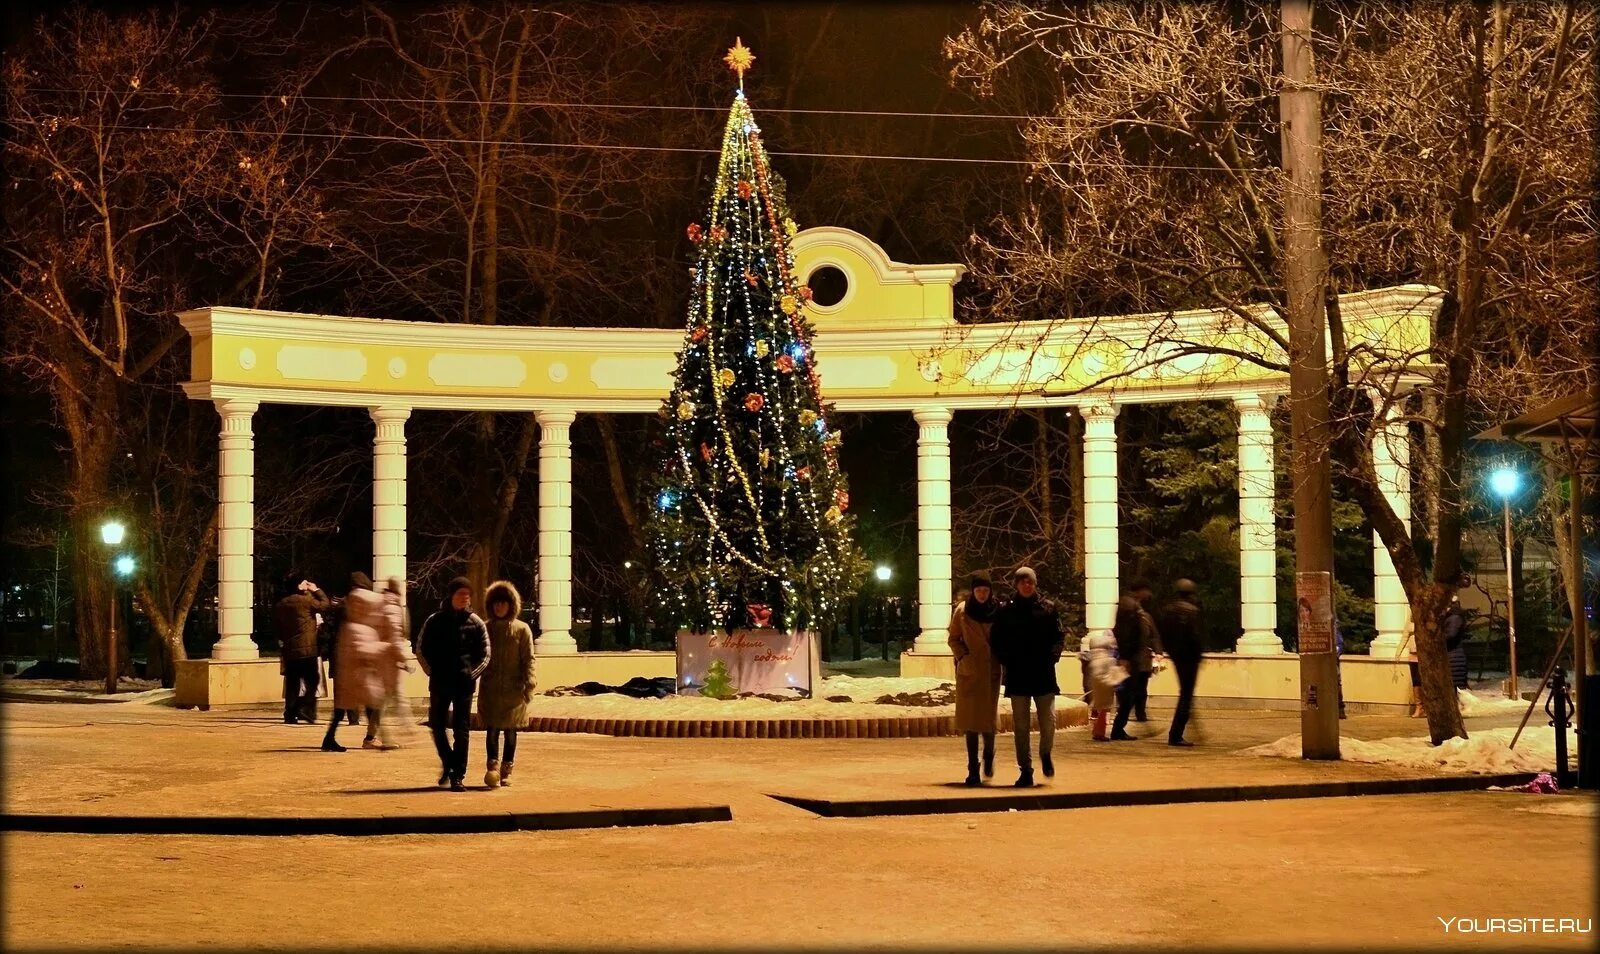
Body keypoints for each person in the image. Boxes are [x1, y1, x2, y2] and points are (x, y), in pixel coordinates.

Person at [989, 566, 1065, 787]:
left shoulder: (1048, 609)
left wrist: (1054, 654)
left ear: (1035, 584)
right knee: (1020, 727)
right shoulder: (1006, 611)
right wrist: (1006, 659)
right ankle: (1026, 769)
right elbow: (997, 639)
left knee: (1048, 722)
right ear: (1017, 584)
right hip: (1018, 675)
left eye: (1030, 581)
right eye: (1022, 581)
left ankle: (1045, 754)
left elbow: (1059, 636)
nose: (1026, 585)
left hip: (1043, 675)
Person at [416, 577, 490, 791]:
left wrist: (471, 674)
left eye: (467, 594)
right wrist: (432, 671)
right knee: (437, 725)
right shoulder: (434, 620)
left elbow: (485, 654)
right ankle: (448, 761)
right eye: (460, 594)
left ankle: (458, 774)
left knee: (461, 729)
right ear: (451, 595)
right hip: (439, 681)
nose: (464, 598)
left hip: (464, 683)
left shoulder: (476, 622)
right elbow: (421, 648)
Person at [323, 573, 400, 752]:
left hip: (348, 664)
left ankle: (334, 738)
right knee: (373, 700)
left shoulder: (347, 609)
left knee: (350, 705)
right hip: (358, 668)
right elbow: (363, 645)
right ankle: (372, 738)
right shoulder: (359, 614)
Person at [477, 580, 536, 788]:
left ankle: (507, 769)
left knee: (511, 733)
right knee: (492, 731)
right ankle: (491, 767)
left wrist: (529, 682)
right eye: (496, 603)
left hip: (514, 691)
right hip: (491, 690)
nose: (499, 607)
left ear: (511, 605)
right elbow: (478, 657)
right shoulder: (485, 628)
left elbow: (528, 659)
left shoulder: (522, 630)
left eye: (504, 603)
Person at [947, 573, 1002, 786]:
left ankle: (989, 754)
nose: (982, 594)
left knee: (987, 719)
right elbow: (953, 638)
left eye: (985, 590)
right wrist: (963, 656)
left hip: (990, 670)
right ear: (973, 591)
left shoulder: (998, 611)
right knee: (970, 722)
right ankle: (973, 769)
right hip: (970, 672)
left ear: (990, 592)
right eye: (978, 590)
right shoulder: (962, 611)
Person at [273, 573, 329, 725]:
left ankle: (290, 714)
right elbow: (325, 604)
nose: (307, 585)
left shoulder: (282, 604)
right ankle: (303, 707)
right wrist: (316, 589)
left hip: (290, 650)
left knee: (293, 683)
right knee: (312, 681)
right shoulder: (306, 601)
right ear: (298, 585)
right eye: (305, 583)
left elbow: (278, 627)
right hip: (307, 649)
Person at [1111, 579, 1160, 740]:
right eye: (1148, 590)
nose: (1150, 594)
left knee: (1133, 693)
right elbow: (1125, 633)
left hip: (1135, 657)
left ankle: (1119, 728)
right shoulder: (1129, 605)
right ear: (1141, 590)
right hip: (1131, 658)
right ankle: (1118, 729)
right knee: (1129, 695)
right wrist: (1125, 657)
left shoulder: (1134, 606)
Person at [1158, 579, 1203, 747]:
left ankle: (1177, 733)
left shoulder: (1168, 610)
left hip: (1177, 656)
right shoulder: (1192, 611)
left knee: (1185, 694)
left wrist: (1172, 651)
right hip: (1189, 658)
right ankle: (1176, 734)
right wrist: (1197, 655)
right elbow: (1195, 636)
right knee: (1186, 695)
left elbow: (1163, 633)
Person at [1082, 629, 1123, 741]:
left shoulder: (1094, 660)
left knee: (1100, 709)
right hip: (1105, 687)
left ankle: (1097, 731)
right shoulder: (1109, 659)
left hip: (1096, 685)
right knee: (1105, 710)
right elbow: (1114, 675)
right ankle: (1099, 733)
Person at [1444, 597, 1469, 690]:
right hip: (1453, 655)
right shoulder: (1451, 617)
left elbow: (1451, 635)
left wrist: (1438, 638)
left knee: (1456, 688)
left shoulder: (1454, 618)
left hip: (1454, 656)